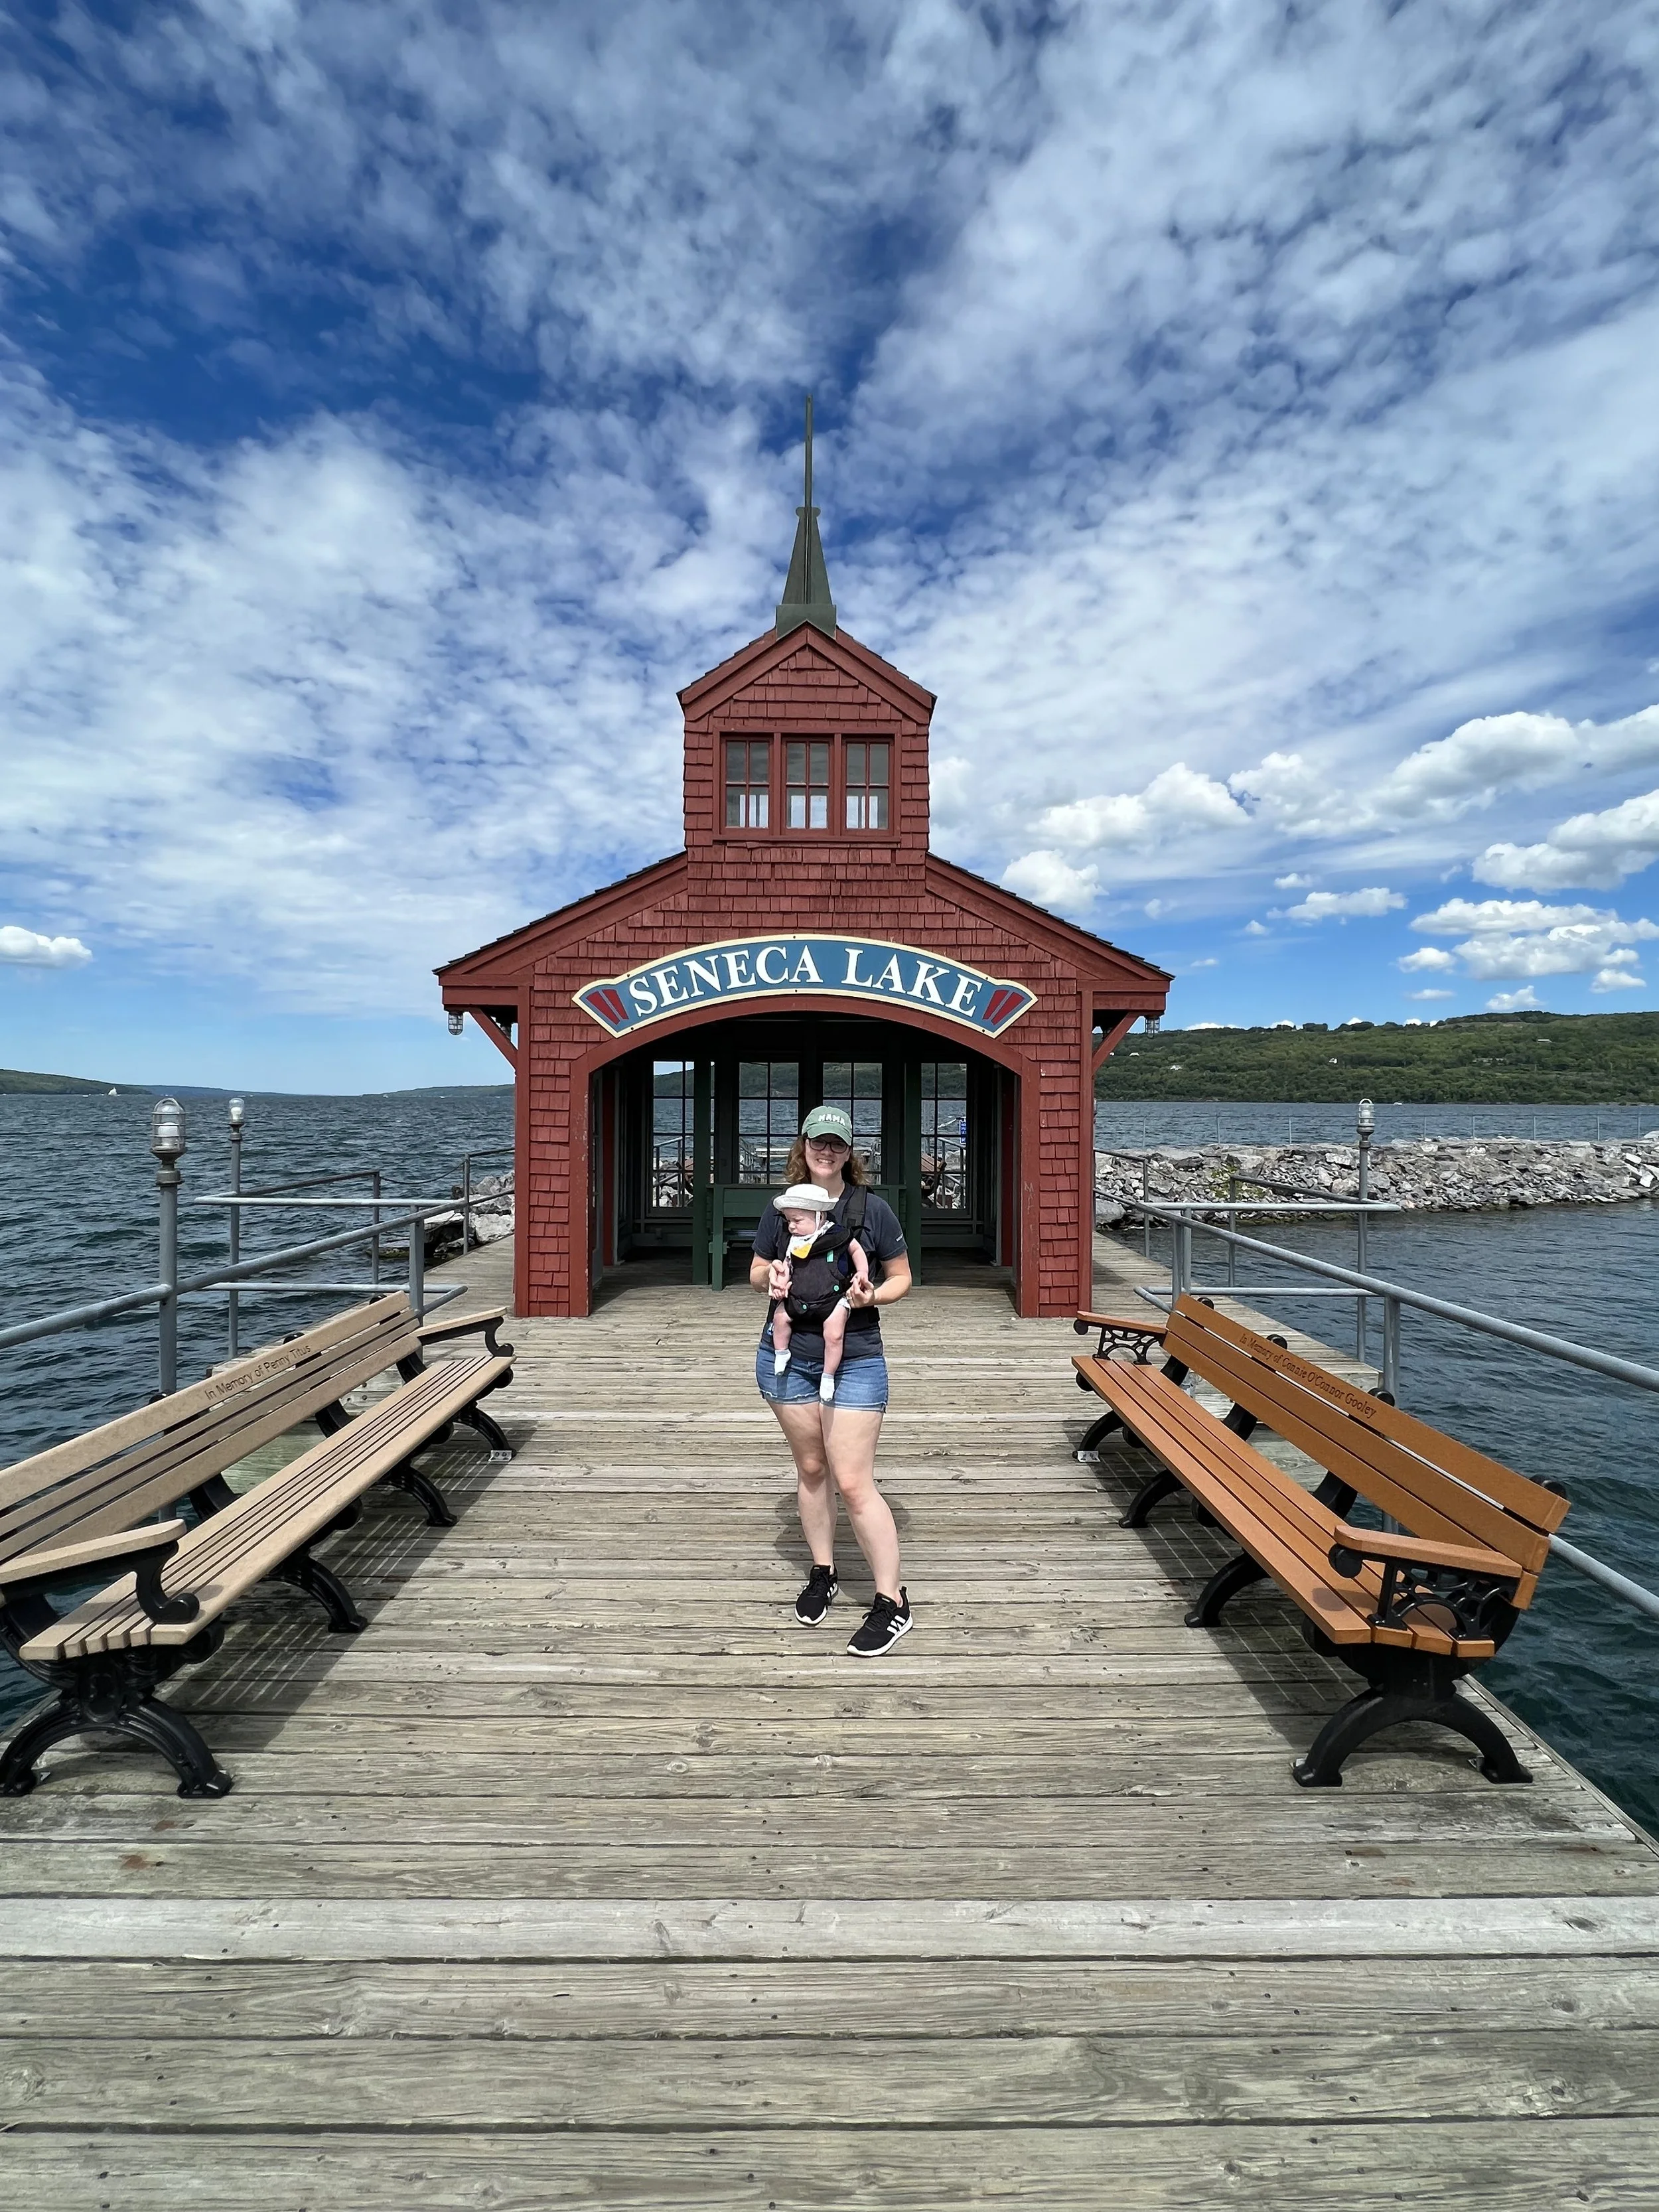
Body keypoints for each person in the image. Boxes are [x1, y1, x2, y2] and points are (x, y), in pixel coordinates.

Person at [751, 1104, 914, 1656]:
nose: (828, 1151)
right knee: (812, 1467)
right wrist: (770, 1276)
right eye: (819, 1142)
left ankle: (892, 1600)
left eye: (838, 1144)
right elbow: (756, 1268)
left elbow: (902, 1279)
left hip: (857, 1356)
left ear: (851, 1151)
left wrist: (870, 1296)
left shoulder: (872, 1210)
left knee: (852, 1480)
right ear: (804, 1145)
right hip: (789, 1356)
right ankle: (824, 1570)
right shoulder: (784, 1207)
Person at [767, 1181, 872, 1402]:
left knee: (834, 1334)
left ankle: (828, 1375)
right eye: (788, 1222)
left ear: (819, 1217)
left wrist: (862, 1272)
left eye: (797, 1221)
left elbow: (856, 1250)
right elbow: (787, 1266)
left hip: (832, 1298)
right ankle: (781, 1352)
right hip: (799, 1296)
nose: (792, 1227)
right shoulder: (793, 1242)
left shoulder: (837, 1235)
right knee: (779, 1318)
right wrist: (780, 1285)